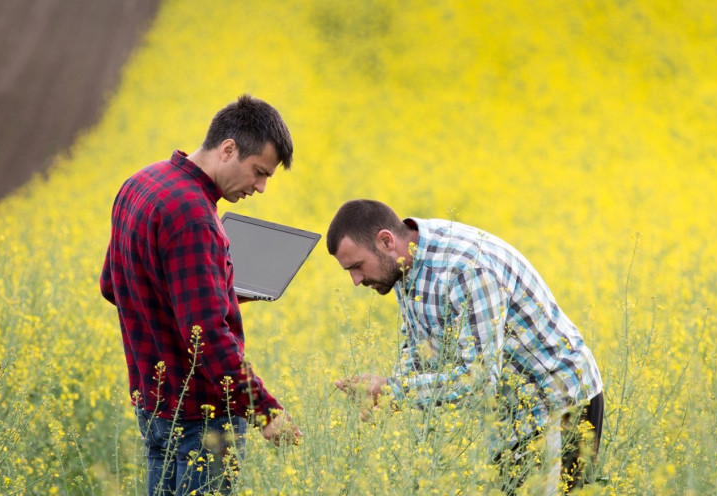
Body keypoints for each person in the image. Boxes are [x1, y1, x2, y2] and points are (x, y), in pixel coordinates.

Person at [327, 199, 604, 495]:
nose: (356, 280)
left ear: (386, 241)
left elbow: (479, 379)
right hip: (510, 415)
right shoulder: (405, 261)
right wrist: (388, 396)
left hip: (554, 404)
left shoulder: (466, 269)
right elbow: (418, 344)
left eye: (357, 266)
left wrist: (394, 392)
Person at [101, 95, 301, 496]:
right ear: (228, 149)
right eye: (258, 172)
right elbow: (206, 338)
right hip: (200, 417)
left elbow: (113, 284)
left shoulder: (142, 182)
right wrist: (265, 411)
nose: (260, 187)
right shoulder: (194, 216)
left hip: (154, 403)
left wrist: (217, 291)